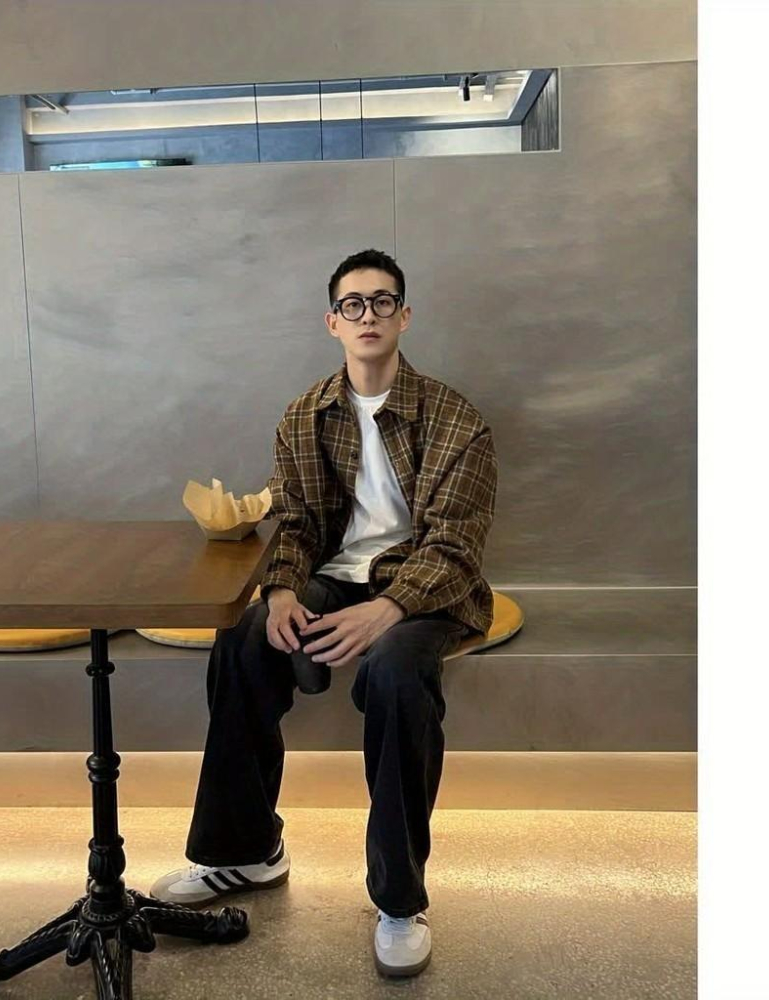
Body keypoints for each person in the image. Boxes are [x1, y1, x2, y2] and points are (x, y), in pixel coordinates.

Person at [149, 248, 498, 978]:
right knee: (245, 639)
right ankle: (246, 851)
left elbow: (456, 545)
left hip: (427, 588)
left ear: (405, 315)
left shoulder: (455, 418)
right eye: (353, 304)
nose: (368, 315)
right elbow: (298, 525)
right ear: (332, 322)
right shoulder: (305, 415)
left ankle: (399, 899)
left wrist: (389, 609)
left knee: (397, 675)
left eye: (383, 301)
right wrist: (280, 591)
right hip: (336, 578)